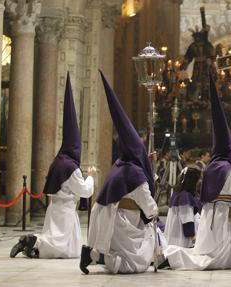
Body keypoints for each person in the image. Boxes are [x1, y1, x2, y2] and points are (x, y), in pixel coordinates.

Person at [163, 75, 231, 270]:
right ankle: (170, 255)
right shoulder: (221, 166)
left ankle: (170, 255)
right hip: (220, 215)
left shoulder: (214, 165)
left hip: (218, 213)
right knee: (215, 259)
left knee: (221, 257)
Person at [79, 71, 161, 274]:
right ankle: (95, 256)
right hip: (122, 222)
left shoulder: (120, 164)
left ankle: (94, 253)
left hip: (111, 221)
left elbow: (136, 189)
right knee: (134, 264)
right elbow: (148, 204)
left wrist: (150, 168)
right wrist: (155, 213)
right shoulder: (134, 173)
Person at [10, 73, 95, 259]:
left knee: (67, 249)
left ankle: (31, 245)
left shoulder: (58, 161)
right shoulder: (71, 167)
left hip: (54, 208)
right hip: (64, 212)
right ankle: (33, 241)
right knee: (58, 247)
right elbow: (85, 191)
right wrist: (90, 176)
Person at [165, 166, 202, 248]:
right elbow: (187, 219)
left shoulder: (177, 193)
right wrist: (193, 237)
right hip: (180, 239)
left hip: (173, 236)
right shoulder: (185, 197)